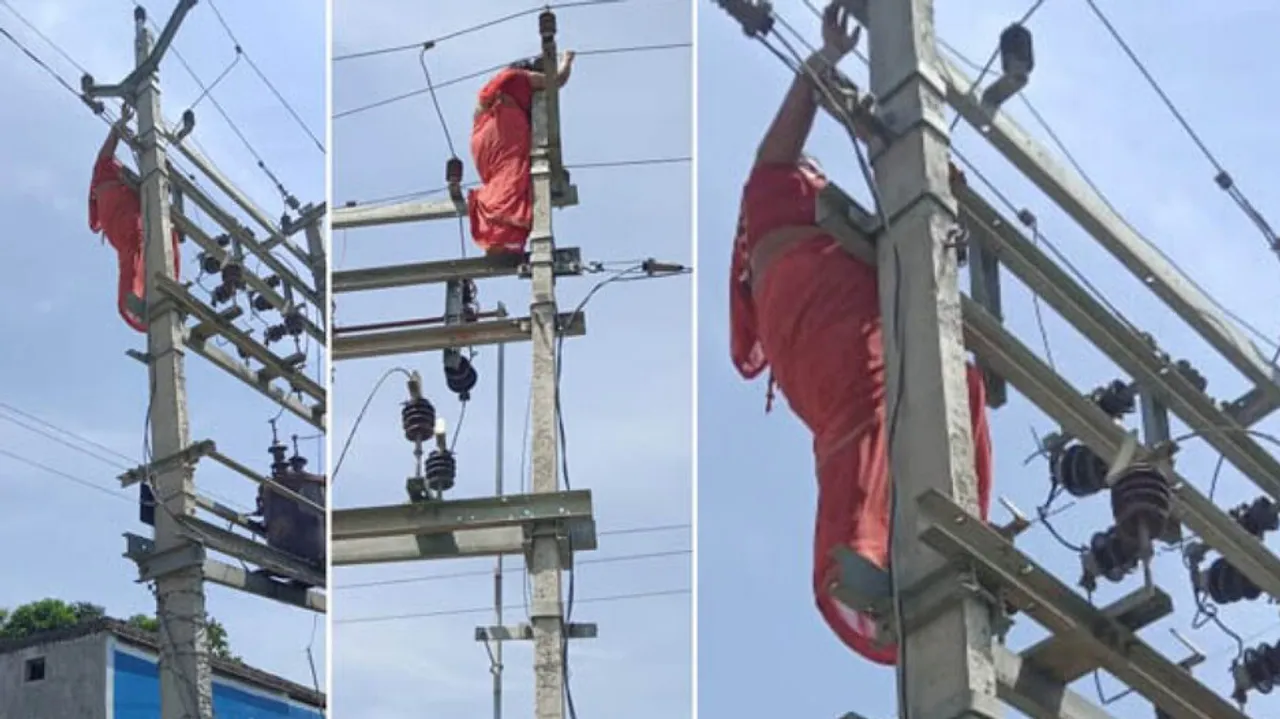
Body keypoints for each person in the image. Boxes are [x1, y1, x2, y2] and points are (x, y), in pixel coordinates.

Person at [728, 2, 994, 665]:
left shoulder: (850, 239)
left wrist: (935, 200)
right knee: (874, 408)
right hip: (816, 319)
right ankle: (847, 567)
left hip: (836, 325)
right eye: (814, 173)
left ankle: (951, 538)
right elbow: (778, 149)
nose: (818, 175)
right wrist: (824, 60)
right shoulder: (773, 195)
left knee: (955, 386)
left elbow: (912, 253)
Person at [467, 51, 576, 256]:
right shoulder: (519, 77)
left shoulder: (498, 84)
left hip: (483, 138)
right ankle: (500, 239)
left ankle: (498, 236)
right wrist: (568, 60)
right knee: (513, 178)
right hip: (505, 131)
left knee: (503, 179)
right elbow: (557, 81)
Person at [88, 104, 181, 333]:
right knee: (139, 247)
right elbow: (105, 155)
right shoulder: (107, 172)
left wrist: (162, 175)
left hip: (126, 219)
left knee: (161, 241)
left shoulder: (134, 187)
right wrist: (120, 124)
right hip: (122, 219)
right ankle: (135, 303)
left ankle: (163, 297)